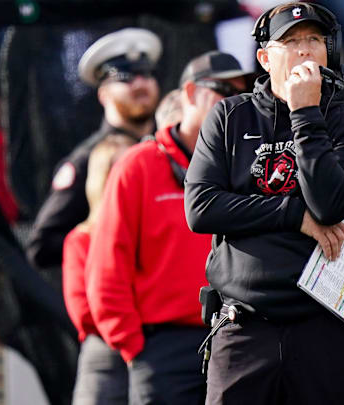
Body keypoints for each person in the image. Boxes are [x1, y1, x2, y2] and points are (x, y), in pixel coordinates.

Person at [184, 3, 344, 404]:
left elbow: (330, 206)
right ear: (265, 58)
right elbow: (201, 208)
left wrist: (304, 111)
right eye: (291, 41)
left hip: (327, 326)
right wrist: (293, 215)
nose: (306, 50)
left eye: (314, 40)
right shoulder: (228, 116)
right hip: (245, 327)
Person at [85, 50, 248, 405]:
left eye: (244, 92)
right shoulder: (138, 164)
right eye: (223, 90)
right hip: (164, 348)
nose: (235, 103)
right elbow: (106, 265)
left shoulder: (246, 167)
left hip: (238, 339)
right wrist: (133, 347)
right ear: (189, 93)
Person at [27, 27, 161, 269]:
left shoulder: (171, 145)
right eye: (125, 77)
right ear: (103, 94)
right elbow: (41, 247)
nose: (139, 83)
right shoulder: (87, 159)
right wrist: (110, 237)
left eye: (146, 73)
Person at [63, 133, 136, 405]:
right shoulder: (81, 240)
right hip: (106, 354)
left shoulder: (149, 237)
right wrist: (129, 328)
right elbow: (83, 311)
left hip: (153, 350)